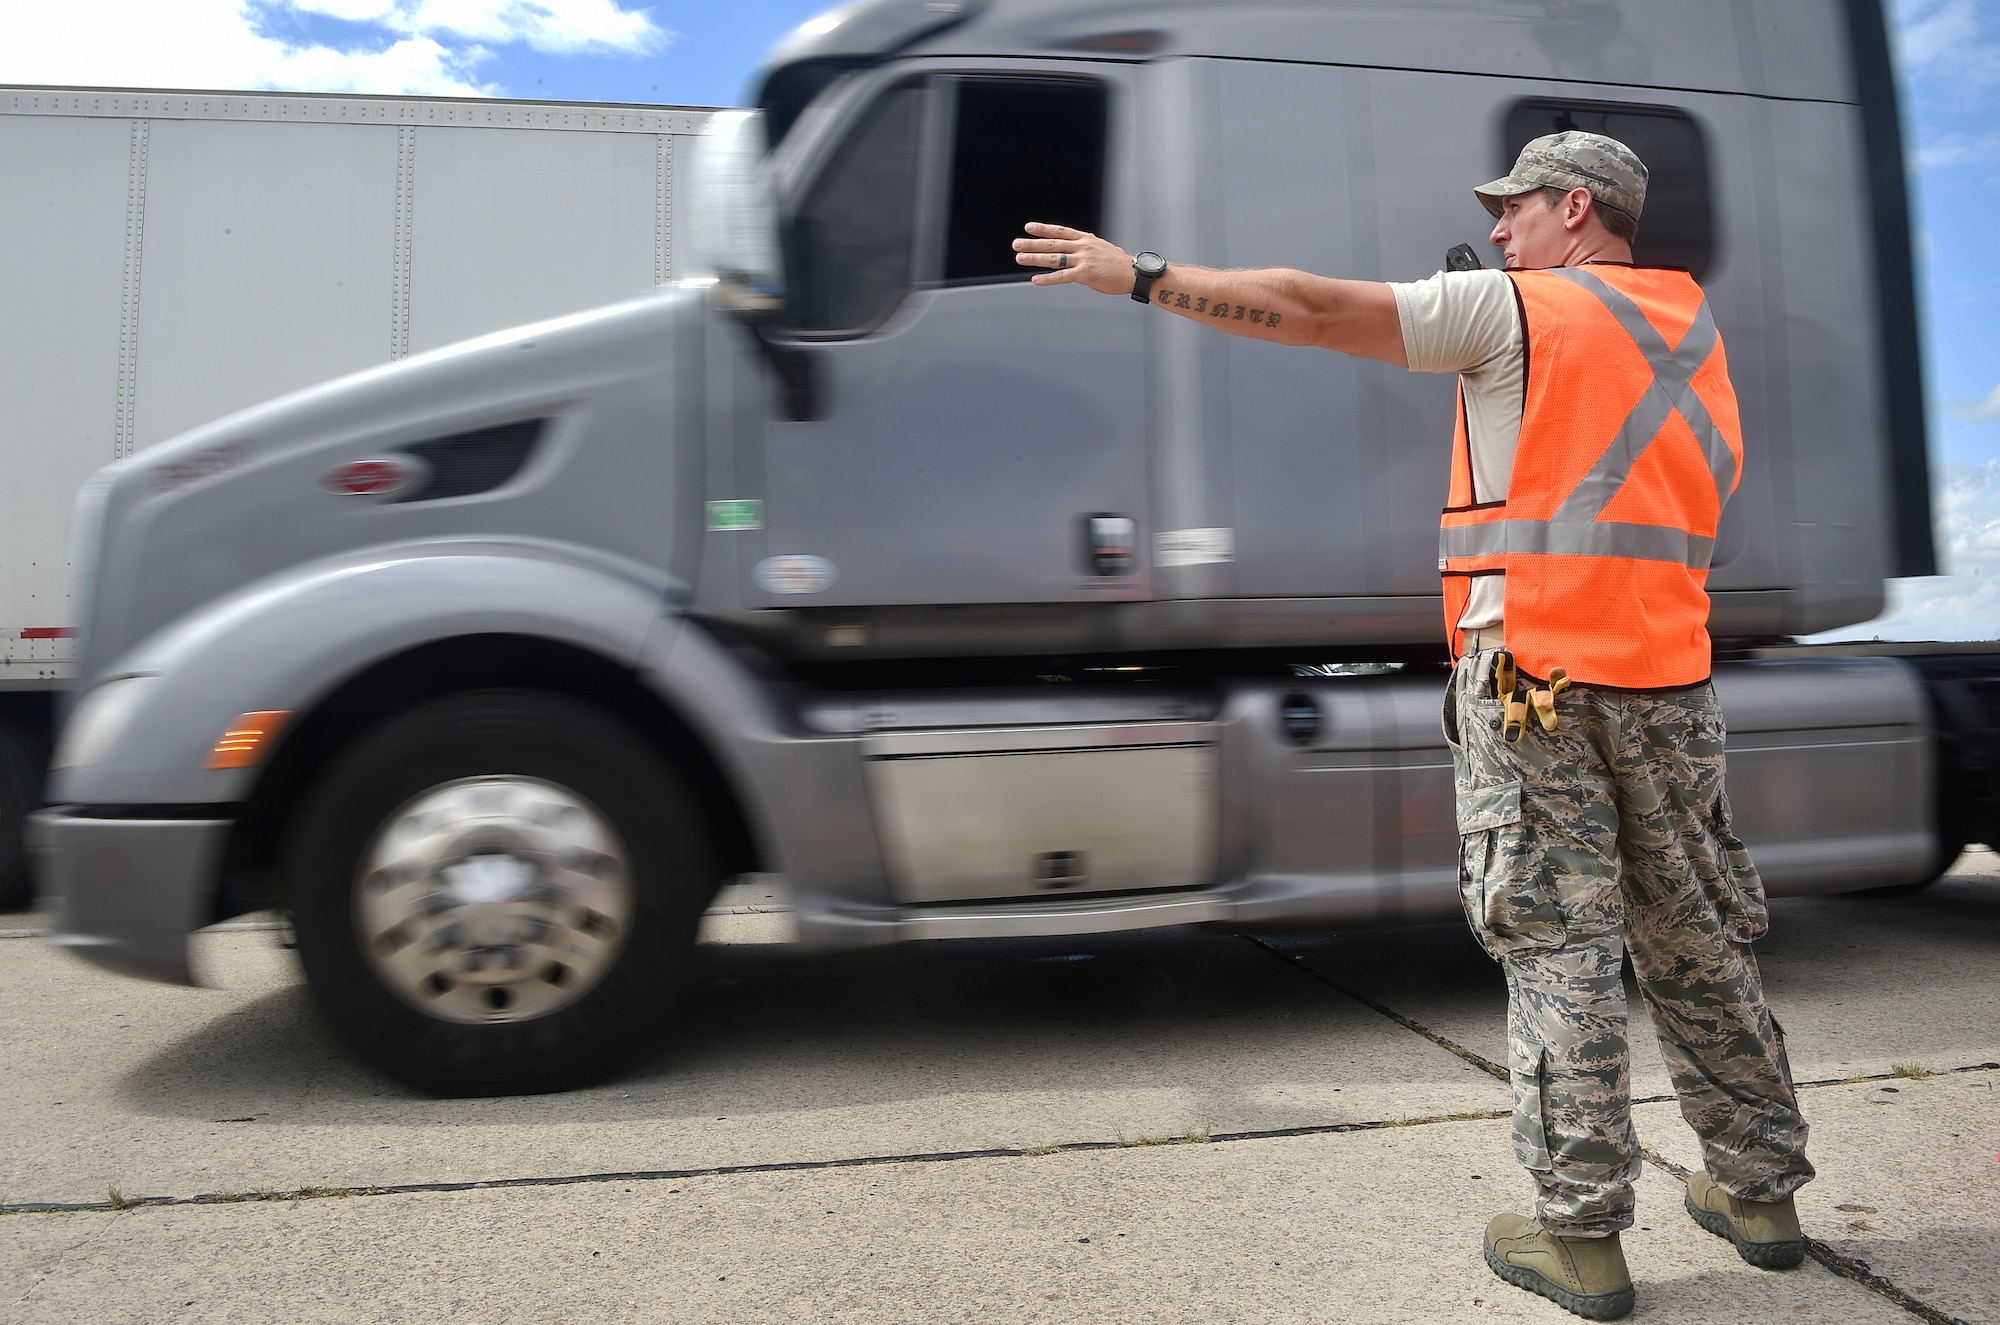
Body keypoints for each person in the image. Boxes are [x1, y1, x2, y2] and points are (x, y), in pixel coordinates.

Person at [1014, 131, 1813, 1321]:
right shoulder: (1687, 330)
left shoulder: (1511, 313)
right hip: (1667, 678)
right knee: (1697, 936)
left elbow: (1306, 309)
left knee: (1558, 948)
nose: (1497, 231)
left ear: (1576, 208)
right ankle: (1758, 1194)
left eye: (1515, 210)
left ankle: (1579, 1236)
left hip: (1532, 673)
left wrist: (1134, 274)